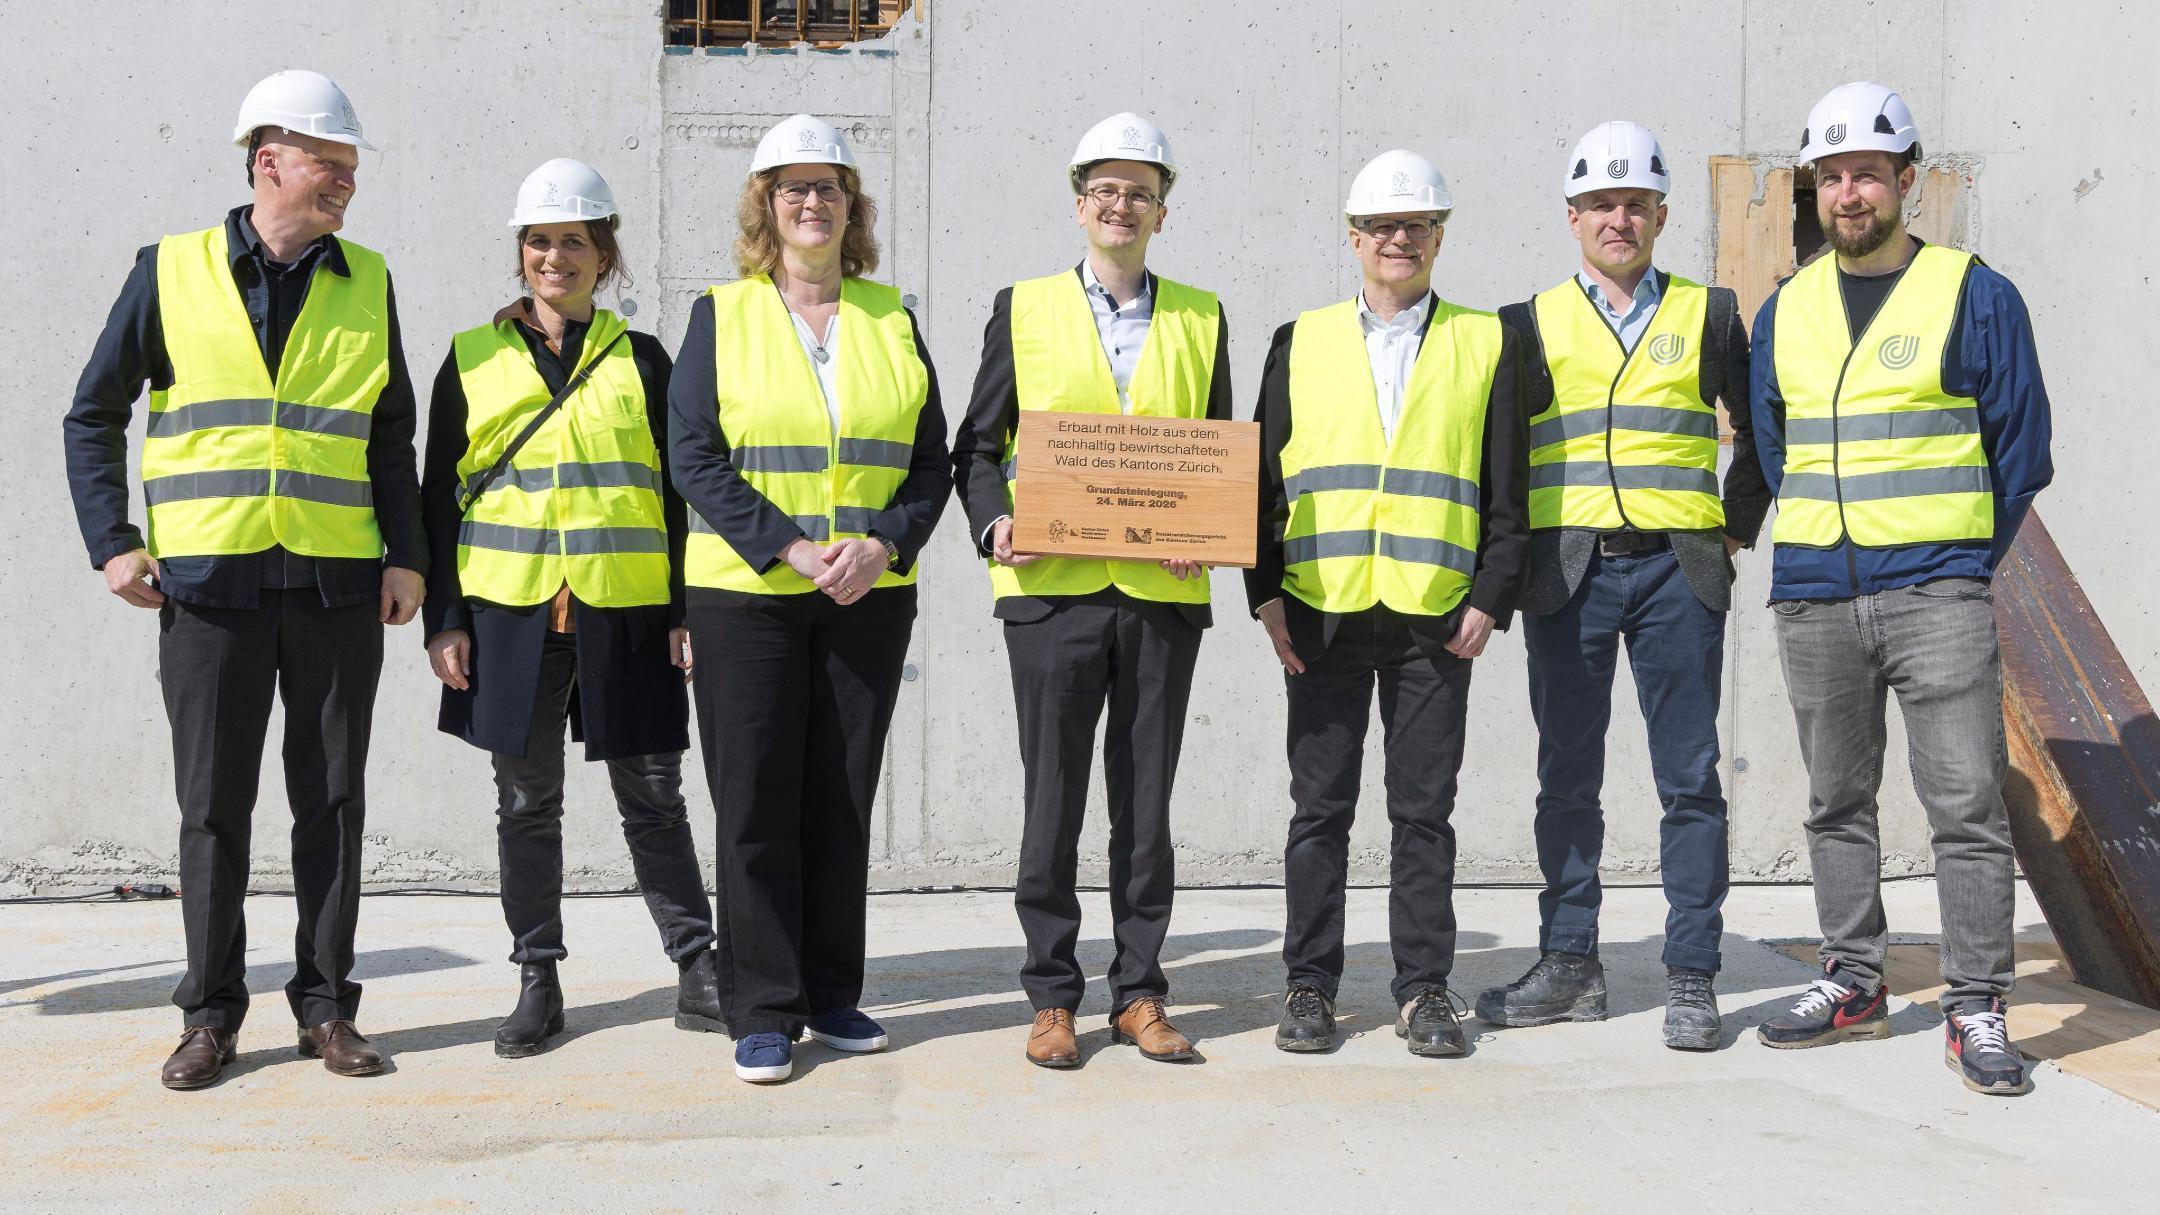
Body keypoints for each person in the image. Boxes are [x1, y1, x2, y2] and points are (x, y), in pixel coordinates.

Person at [62, 70, 425, 1088]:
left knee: (334, 806)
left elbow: (389, 435)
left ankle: (325, 1009)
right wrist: (112, 540)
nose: (346, 185)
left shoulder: (369, 281)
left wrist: (406, 555)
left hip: (335, 585)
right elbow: (93, 411)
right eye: (329, 165)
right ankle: (211, 1015)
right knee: (213, 810)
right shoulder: (168, 270)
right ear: (268, 161)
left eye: (352, 169)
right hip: (209, 586)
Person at [1751, 82, 2053, 1097]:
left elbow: (2022, 456)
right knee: (1836, 801)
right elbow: (1773, 444)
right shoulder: (1784, 308)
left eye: (1867, 175)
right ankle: (1853, 979)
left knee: (1966, 802)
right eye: (1830, 177)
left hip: (1937, 595)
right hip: (1814, 597)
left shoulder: (1975, 293)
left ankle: (1976, 1003)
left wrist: (1959, 557)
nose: (1848, 193)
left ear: (1905, 182)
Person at [419, 159, 722, 1058]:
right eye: (542, 241)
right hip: (510, 616)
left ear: (606, 256)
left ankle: (698, 966)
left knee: (656, 797)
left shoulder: (645, 358)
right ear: (522, 254)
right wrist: (445, 617)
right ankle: (537, 976)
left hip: (625, 611)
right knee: (525, 804)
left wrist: (682, 607)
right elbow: (437, 496)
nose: (557, 257)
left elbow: (677, 493)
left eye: (576, 242)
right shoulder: (471, 356)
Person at [669, 114, 950, 1084]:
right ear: (766, 206)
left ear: (850, 205)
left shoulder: (890, 315)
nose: (812, 201)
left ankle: (829, 991)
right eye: (792, 187)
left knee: (838, 797)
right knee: (753, 801)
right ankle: (761, 1006)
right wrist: (788, 548)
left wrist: (885, 543)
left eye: (828, 186)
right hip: (747, 597)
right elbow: (694, 457)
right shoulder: (724, 314)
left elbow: (931, 462)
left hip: (868, 595)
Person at [1476, 121, 1767, 1051]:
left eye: (1635, 203)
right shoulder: (1525, 322)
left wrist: (1730, 526)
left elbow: (1764, 432)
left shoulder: (1711, 313)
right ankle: (1571, 963)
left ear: (1660, 214)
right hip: (1568, 577)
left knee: (1689, 779)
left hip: (1680, 572)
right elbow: (1503, 463)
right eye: (1601, 203)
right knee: (1567, 776)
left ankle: (1692, 974)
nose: (1619, 218)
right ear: (1573, 218)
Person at [951, 113, 1232, 1069]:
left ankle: (1141, 992)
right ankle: (1051, 997)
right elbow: (977, 446)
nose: (1122, 204)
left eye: (1140, 191)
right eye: (1105, 189)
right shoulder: (1023, 306)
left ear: (1163, 209)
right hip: (1052, 594)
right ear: (1081, 205)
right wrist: (997, 522)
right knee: (1054, 799)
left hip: (1161, 596)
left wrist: (1212, 528)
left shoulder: (1200, 314)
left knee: (1146, 802)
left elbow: (1215, 452)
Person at [1248, 150, 1529, 1057]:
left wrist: (1492, 595)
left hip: (1435, 618)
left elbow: (1508, 490)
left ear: (1439, 235)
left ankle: (1424, 990)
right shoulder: (1299, 339)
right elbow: (1261, 481)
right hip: (1321, 610)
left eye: (1414, 226)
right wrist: (1264, 594)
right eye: (1380, 226)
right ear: (1353, 236)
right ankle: (1309, 985)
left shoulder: (1487, 341)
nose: (1396, 240)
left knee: (1423, 813)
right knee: (1318, 810)